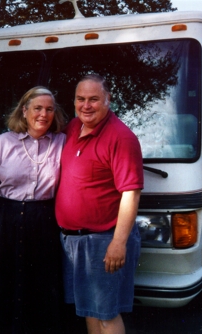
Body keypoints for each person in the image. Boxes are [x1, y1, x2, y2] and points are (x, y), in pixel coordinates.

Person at [55, 74, 143, 334]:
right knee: (89, 311)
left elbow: (131, 193)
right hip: (74, 241)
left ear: (107, 100)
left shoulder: (120, 137)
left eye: (94, 99)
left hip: (103, 241)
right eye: (80, 99)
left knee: (106, 315)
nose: (86, 105)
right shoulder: (73, 128)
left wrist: (118, 243)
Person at [0, 86, 66, 333]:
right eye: (37, 108)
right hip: (5, 221)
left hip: (44, 222)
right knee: (4, 286)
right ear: (24, 111)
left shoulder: (61, 142)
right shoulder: (4, 142)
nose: (43, 114)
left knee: (40, 288)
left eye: (49, 109)